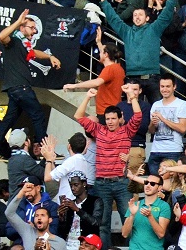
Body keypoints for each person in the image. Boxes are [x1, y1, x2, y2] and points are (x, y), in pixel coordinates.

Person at [73, 86, 142, 250]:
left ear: (119, 119)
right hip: (101, 183)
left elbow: (138, 116)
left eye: (113, 118)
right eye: (107, 118)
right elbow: (78, 116)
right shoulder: (99, 130)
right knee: (102, 223)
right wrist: (88, 97)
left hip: (121, 182)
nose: (110, 121)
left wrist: (132, 97)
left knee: (129, 220)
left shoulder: (127, 131)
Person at [0, 9, 61, 159]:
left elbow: (34, 53)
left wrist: (50, 57)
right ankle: (45, 150)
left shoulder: (23, 44)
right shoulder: (14, 40)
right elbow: (1, 36)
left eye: (35, 28)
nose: (35, 31)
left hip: (15, 89)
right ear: (22, 27)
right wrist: (18, 23)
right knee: (38, 116)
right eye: (31, 27)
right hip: (20, 87)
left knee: (8, 120)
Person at [147, 74, 186, 176]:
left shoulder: (182, 104)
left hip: (173, 150)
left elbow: (183, 129)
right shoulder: (155, 105)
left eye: (168, 86)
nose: (164, 89)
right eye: (162, 86)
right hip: (155, 150)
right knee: (155, 183)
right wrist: (153, 123)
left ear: (174, 87)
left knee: (172, 184)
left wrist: (163, 119)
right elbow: (151, 131)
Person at [5, 181, 66, 250]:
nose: (39, 218)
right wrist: (22, 192)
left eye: (42, 215)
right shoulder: (27, 231)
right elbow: (9, 213)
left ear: (50, 220)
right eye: (36, 215)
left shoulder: (60, 242)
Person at [53, 171, 104, 246]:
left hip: (86, 245)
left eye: (76, 185)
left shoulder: (95, 201)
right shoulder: (70, 204)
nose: (73, 188)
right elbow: (62, 230)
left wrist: (77, 210)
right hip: (68, 244)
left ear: (84, 184)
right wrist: (61, 218)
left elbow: (96, 222)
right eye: (71, 185)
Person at [121, 174, 170, 250]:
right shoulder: (135, 205)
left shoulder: (164, 206)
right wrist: (132, 215)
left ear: (159, 188)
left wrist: (150, 216)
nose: (148, 185)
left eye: (152, 184)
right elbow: (124, 234)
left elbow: (161, 234)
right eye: (146, 182)